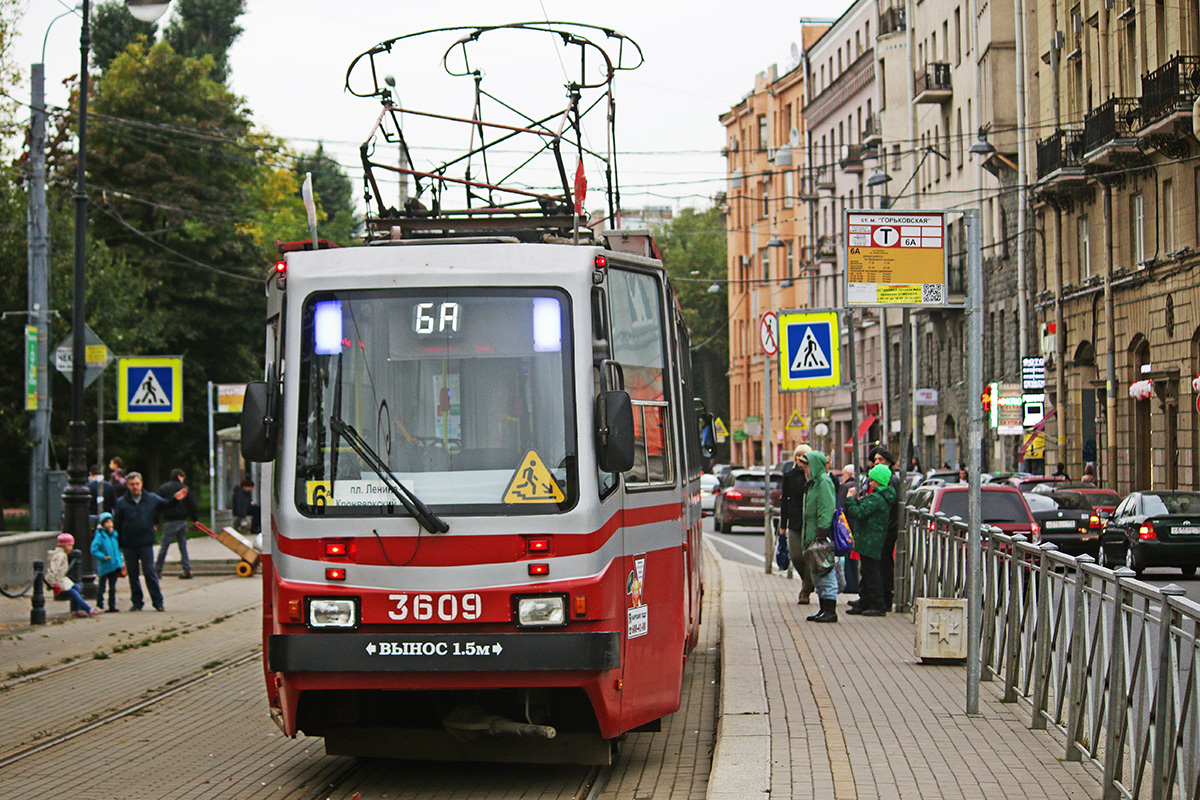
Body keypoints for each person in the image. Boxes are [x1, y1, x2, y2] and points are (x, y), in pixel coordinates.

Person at [114, 472, 186, 612]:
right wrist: (119, 545)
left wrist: (175, 499)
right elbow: (118, 524)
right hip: (129, 543)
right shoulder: (122, 503)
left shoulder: (151, 498)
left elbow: (166, 504)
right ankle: (137, 601)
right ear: (128, 485)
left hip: (145, 542)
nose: (135, 487)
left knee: (149, 571)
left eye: (137, 484)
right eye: (132, 484)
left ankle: (157, 601)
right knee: (133, 574)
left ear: (141, 484)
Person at [843, 463, 897, 616]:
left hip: (870, 539)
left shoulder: (877, 498)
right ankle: (865, 601)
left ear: (879, 481)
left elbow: (858, 512)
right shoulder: (880, 497)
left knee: (872, 573)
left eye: (872, 481)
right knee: (866, 571)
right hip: (871, 538)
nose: (870, 483)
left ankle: (878, 604)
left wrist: (850, 499)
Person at [799, 450, 838, 623]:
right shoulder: (813, 483)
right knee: (817, 574)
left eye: (806, 464)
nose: (804, 468)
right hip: (811, 536)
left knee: (825, 572)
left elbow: (826, 507)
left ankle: (830, 610)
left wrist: (822, 530)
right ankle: (823, 609)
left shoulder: (823, 482)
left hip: (819, 536)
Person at [865, 446, 902, 609]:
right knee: (878, 564)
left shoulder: (890, 481)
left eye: (881, 460)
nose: (877, 462)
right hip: (883, 527)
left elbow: (886, 506)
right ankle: (874, 597)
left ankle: (885, 598)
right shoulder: (880, 479)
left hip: (886, 528)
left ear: (889, 462)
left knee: (883, 564)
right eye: (875, 460)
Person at [779, 444, 813, 604]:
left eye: (804, 456)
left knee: (811, 556)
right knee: (796, 556)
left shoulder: (814, 477)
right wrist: (783, 524)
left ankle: (805, 589)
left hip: (811, 522)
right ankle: (808, 582)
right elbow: (784, 501)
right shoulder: (789, 476)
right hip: (795, 521)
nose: (800, 459)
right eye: (798, 455)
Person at [155, 469, 199, 579]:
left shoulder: (163, 488)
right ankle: (187, 569)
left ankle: (157, 570)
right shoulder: (185, 489)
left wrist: (156, 521)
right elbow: (192, 505)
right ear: (180, 476)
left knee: (164, 547)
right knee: (183, 547)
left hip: (170, 521)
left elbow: (158, 506)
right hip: (182, 521)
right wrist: (194, 519)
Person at [45, 533, 102, 618]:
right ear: (64, 546)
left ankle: (75, 611)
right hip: (57, 579)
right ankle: (88, 609)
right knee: (73, 592)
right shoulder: (59, 556)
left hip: (61, 578)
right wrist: (54, 584)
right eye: (70, 545)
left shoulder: (62, 554)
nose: (71, 548)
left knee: (76, 587)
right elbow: (54, 570)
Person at [90, 512, 125, 613]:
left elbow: (117, 550)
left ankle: (112, 604)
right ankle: (100, 604)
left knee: (113, 587)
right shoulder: (100, 536)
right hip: (105, 565)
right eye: (107, 522)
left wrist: (120, 560)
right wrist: (103, 557)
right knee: (102, 586)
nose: (109, 524)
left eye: (111, 522)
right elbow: (94, 549)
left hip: (114, 564)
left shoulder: (114, 535)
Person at [836, 464, 860, 595]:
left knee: (848, 556)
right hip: (856, 525)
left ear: (849, 475)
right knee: (854, 557)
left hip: (847, 526)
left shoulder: (845, 487)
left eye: (843, 474)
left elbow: (840, 507)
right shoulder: (859, 485)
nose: (842, 477)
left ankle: (849, 585)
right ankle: (855, 584)